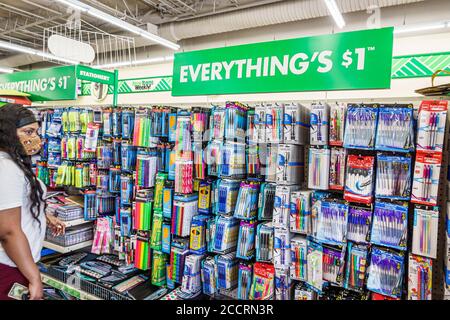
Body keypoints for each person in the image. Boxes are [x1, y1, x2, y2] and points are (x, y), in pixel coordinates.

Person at [0, 104, 66, 300]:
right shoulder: (7, 168)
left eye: (36, 131)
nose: (34, 138)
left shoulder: (10, 162)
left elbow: (8, 205)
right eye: (28, 131)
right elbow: (8, 232)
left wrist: (43, 215)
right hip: (10, 265)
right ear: (8, 132)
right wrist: (34, 277)